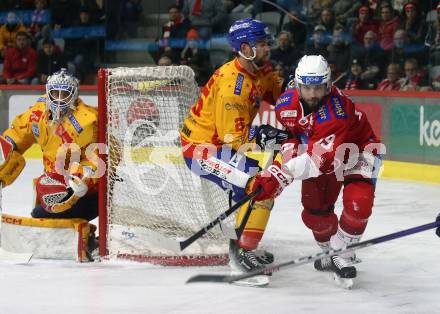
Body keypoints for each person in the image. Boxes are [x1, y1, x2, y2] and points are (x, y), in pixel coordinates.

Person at [248, 55, 381, 283]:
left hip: (358, 150)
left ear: (327, 85)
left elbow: (319, 160)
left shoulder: (338, 111)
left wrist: (279, 175)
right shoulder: (285, 105)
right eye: (307, 87)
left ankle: (340, 250)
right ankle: (329, 250)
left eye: (318, 87)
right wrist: (277, 169)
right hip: (321, 153)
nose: (312, 94)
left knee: (360, 203)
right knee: (314, 213)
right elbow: (294, 140)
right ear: (297, 85)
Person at [179, 18, 283, 273]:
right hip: (203, 149)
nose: (268, 47)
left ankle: (245, 242)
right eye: (262, 43)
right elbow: (233, 138)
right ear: (245, 49)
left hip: (221, 145)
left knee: (262, 186)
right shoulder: (232, 87)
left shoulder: (257, 71)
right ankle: (241, 254)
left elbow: (280, 94)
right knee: (257, 188)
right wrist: (263, 135)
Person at [0, 68, 99, 223]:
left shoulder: (87, 120)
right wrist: (3, 172)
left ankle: (84, 238)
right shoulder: (38, 112)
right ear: (48, 92)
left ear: (74, 95)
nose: (59, 99)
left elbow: (98, 158)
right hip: (53, 181)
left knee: (40, 214)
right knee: (42, 196)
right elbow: (17, 136)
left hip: (88, 191)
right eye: (55, 93)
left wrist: (82, 178)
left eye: (65, 94)